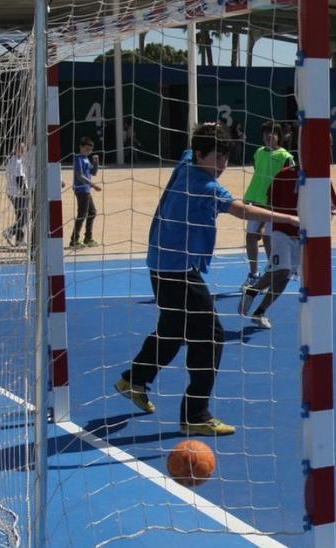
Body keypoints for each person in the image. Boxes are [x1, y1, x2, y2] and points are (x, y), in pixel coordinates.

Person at [115, 122, 299, 436]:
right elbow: (242, 211)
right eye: (218, 158)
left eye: (226, 159)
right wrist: (290, 218)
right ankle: (196, 413)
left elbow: (195, 141)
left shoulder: (187, 160)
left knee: (173, 330)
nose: (223, 166)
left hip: (160, 264)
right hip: (178, 271)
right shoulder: (205, 186)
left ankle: (134, 379)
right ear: (201, 155)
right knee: (211, 335)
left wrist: (212, 129)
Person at [240, 166, 336, 328]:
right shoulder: (283, 174)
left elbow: (331, 209)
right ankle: (253, 290)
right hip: (281, 231)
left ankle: (260, 312)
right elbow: (270, 202)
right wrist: (263, 225)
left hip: (303, 236)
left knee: (285, 278)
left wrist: (319, 231)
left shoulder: (323, 178)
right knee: (283, 271)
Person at [242, 122, 295, 288]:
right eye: (265, 132)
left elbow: (287, 183)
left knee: (268, 238)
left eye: (272, 133)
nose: (268, 136)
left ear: (279, 136)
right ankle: (254, 274)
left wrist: (274, 206)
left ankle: (275, 271)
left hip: (274, 205)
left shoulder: (285, 157)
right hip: (256, 203)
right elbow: (258, 176)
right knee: (250, 237)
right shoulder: (258, 152)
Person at [70, 136, 101, 248]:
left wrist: (96, 163)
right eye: (86, 149)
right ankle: (74, 240)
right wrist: (93, 185)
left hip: (86, 190)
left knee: (92, 212)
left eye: (90, 150)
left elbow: (93, 173)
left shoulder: (86, 159)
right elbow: (80, 175)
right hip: (81, 189)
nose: (88, 151)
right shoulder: (78, 158)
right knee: (82, 214)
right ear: (81, 147)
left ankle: (88, 238)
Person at [2, 141, 31, 247]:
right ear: (15, 149)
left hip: (12, 192)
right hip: (17, 193)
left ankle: (19, 239)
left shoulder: (13, 160)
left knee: (20, 216)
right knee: (24, 217)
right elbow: (19, 179)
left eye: (24, 149)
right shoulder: (17, 162)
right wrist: (26, 192)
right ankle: (9, 232)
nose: (23, 152)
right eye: (21, 149)